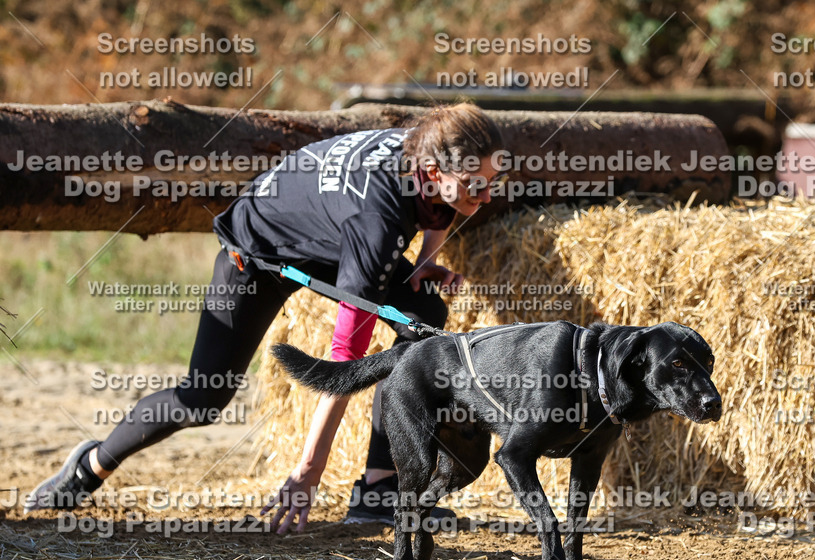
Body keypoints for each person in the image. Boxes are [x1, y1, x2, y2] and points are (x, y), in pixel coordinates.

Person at [25, 103, 506, 532]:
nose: (485, 197)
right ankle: (91, 464)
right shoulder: (377, 220)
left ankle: (379, 489)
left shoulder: (421, 150)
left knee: (422, 315)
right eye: (475, 185)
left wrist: (423, 265)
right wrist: (308, 471)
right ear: (431, 170)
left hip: (323, 238)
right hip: (255, 256)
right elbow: (344, 358)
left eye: (492, 182)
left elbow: (438, 208)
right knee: (204, 397)